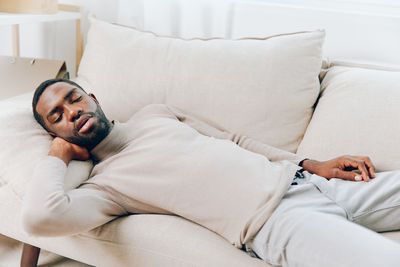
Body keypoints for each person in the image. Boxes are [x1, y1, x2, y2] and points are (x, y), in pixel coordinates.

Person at [23, 78, 400, 267]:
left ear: (93, 99)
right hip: (277, 223)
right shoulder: (106, 186)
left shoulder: (156, 113)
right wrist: (58, 155)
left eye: (73, 98)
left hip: (310, 183)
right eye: (57, 116)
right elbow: (41, 216)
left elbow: (234, 138)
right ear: (54, 133)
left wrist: (311, 163)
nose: (71, 112)